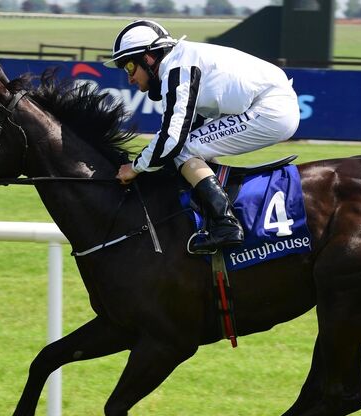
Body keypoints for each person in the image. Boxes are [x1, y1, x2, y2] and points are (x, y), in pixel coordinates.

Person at [105, 19, 300, 254]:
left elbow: (172, 139)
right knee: (187, 148)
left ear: (148, 58)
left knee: (182, 149)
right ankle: (215, 211)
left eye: (128, 67)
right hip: (271, 105)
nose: (129, 79)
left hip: (271, 110)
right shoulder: (181, 61)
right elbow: (189, 127)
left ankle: (226, 223)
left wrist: (135, 167)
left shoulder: (177, 69)